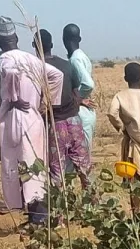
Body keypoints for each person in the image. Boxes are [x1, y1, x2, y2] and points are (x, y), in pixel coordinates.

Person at [0, 16, 63, 227]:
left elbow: (11, 72)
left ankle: (39, 219)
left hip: (16, 117)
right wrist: (47, 102)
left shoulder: (5, 58)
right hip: (34, 118)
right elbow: (57, 76)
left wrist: (14, 99)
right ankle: (36, 217)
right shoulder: (32, 59)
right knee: (34, 168)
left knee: (18, 167)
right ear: (15, 37)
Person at [39, 29, 90, 190]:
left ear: (35, 46)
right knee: (85, 167)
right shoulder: (67, 65)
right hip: (74, 121)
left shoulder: (37, 69)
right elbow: (76, 91)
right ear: (52, 45)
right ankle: (96, 207)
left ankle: (59, 213)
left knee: (57, 170)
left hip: (56, 125)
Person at [107, 63, 140, 214]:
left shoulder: (120, 96)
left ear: (125, 78)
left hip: (133, 145)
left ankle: (136, 212)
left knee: (134, 182)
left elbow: (112, 113)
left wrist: (122, 128)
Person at [62, 24, 97, 150]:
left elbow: (88, 84)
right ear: (79, 39)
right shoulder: (81, 55)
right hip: (86, 112)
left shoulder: (75, 59)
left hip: (81, 112)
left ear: (64, 39)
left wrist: (78, 99)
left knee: (80, 157)